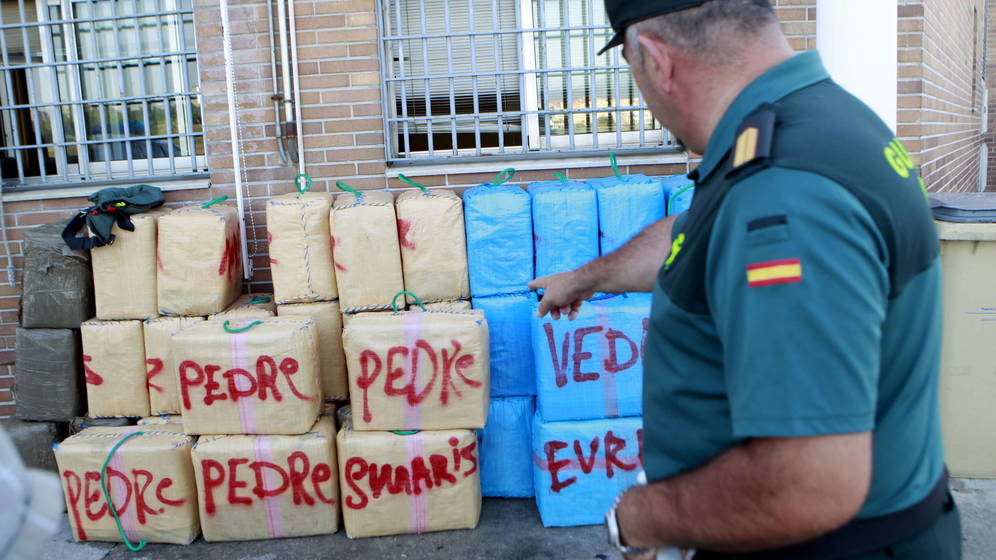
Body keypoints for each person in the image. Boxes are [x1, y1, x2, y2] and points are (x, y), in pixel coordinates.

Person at [528, 1, 961, 558]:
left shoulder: (784, 192)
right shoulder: (814, 122)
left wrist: (641, 516)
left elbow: (808, 484)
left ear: (657, 61)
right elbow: (699, 236)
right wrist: (587, 278)